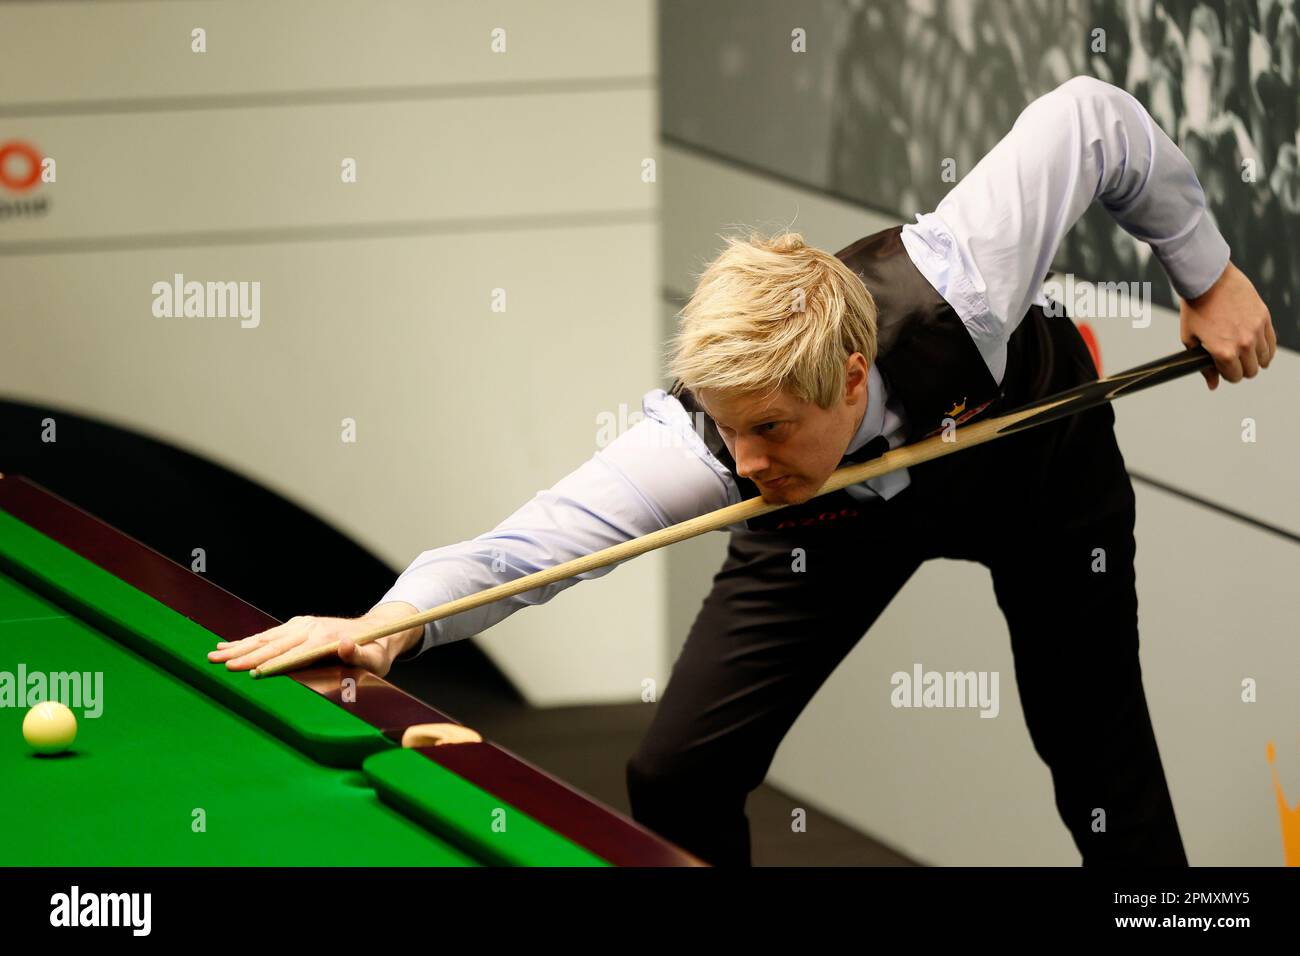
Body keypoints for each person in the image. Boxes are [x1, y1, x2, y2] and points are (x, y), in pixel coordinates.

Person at [208, 75, 1275, 866]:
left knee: (1101, 769)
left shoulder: (965, 276)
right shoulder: (725, 449)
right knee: (675, 771)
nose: (745, 460)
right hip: (829, 519)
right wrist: (389, 623)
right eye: (730, 431)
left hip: (1034, 459)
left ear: (850, 375)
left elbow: (1090, 118)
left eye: (768, 424)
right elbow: (533, 545)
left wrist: (1206, 269)